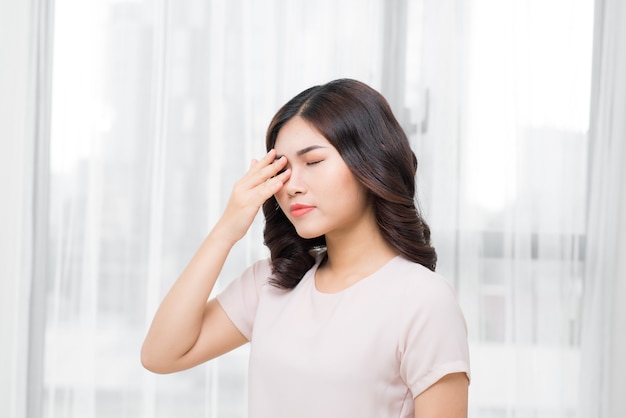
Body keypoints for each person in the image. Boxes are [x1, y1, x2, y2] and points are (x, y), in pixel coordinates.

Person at [141, 78, 470, 417]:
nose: (292, 186)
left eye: (312, 162)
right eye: (282, 169)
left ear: (370, 161)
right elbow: (161, 354)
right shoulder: (272, 282)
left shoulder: (422, 299)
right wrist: (225, 231)